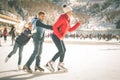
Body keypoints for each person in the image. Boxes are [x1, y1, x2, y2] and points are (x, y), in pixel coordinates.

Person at [45, 5, 82, 72]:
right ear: (67, 12)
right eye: (70, 11)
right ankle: (50, 63)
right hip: (56, 36)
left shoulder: (68, 19)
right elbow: (54, 27)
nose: (72, 13)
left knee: (64, 50)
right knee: (61, 51)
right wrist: (60, 36)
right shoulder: (62, 18)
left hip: (60, 37)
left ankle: (60, 65)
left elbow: (70, 29)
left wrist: (78, 24)